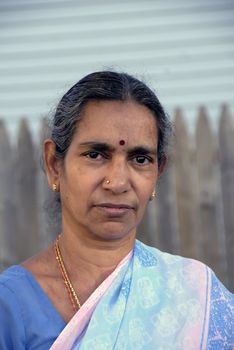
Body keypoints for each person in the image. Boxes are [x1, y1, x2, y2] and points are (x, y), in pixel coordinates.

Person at [0, 71, 233, 350]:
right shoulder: (11, 305)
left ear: (158, 172)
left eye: (140, 158)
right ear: (53, 165)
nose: (118, 182)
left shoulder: (194, 293)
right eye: (96, 154)